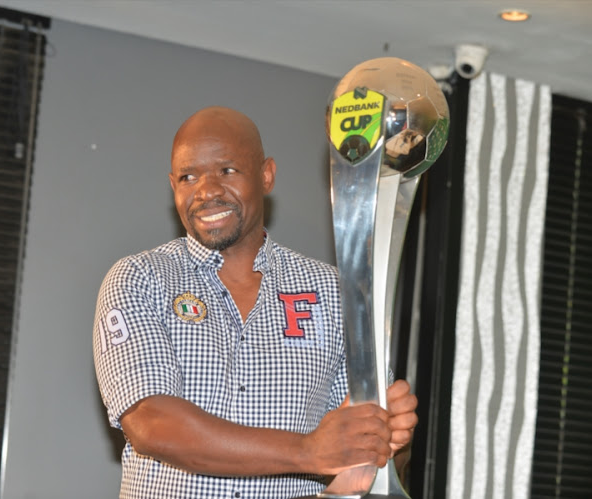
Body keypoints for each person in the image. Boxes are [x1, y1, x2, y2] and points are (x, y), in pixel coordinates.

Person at [93, 106, 418, 498]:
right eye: (187, 176)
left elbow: (357, 472)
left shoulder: (334, 293)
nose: (207, 190)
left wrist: (389, 441)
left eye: (227, 170)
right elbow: (152, 425)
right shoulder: (140, 278)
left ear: (266, 175)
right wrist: (308, 451)